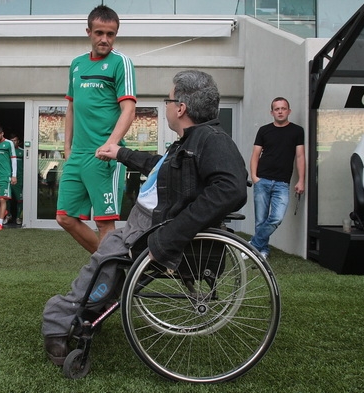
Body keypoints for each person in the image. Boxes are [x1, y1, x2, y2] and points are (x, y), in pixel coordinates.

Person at [42, 70, 248, 366]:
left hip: (157, 229)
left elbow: (231, 189)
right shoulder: (191, 139)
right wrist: (121, 153)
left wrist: (174, 234)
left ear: (181, 108)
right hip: (148, 223)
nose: (166, 105)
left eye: (168, 99)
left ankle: (58, 321)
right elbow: (160, 168)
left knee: (108, 257)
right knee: (109, 253)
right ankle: (86, 312)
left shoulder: (212, 140)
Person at [56, 5, 137, 254]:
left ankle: (108, 281)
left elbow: (129, 110)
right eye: (99, 32)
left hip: (104, 156)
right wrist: (67, 147)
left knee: (105, 225)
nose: (104, 39)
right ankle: (110, 266)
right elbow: (71, 108)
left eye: (110, 34)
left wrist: (111, 145)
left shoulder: (121, 63)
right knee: (64, 217)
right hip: (77, 155)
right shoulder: (77, 64)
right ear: (89, 31)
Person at [248, 97, 305, 259]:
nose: (280, 111)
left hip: (282, 183)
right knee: (261, 220)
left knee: (276, 218)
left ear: (289, 111)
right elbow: (255, 155)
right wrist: (254, 176)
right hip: (262, 180)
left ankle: (254, 244)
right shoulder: (264, 130)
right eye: (277, 109)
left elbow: (300, 157)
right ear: (272, 112)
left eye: (283, 108)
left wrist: (301, 180)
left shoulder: (297, 131)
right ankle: (263, 250)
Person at [9, 133, 24, 225]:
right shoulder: (7, 151)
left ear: (18, 141)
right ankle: (8, 215)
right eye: (12, 140)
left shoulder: (22, 151)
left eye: (15, 140)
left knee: (19, 199)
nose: (14, 142)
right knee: (6, 198)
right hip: (8, 178)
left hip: (19, 179)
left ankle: (18, 217)